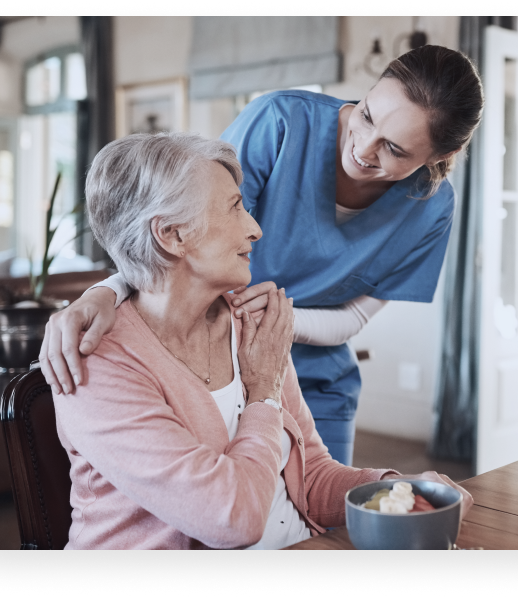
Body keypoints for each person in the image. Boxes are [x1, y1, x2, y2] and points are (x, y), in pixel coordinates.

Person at [40, 45, 485, 467]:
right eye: (366, 116)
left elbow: (354, 319)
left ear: (441, 156)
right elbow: (178, 229)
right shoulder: (280, 122)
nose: (363, 148)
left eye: (394, 149)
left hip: (316, 378)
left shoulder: (431, 208)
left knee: (319, 522)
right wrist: (106, 291)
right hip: (210, 361)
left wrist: (277, 325)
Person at [54, 132, 473, 549]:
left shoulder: (250, 325)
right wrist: (264, 393)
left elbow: (310, 476)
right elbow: (233, 519)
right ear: (173, 236)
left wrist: (397, 490)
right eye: (235, 207)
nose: (254, 229)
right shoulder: (96, 363)